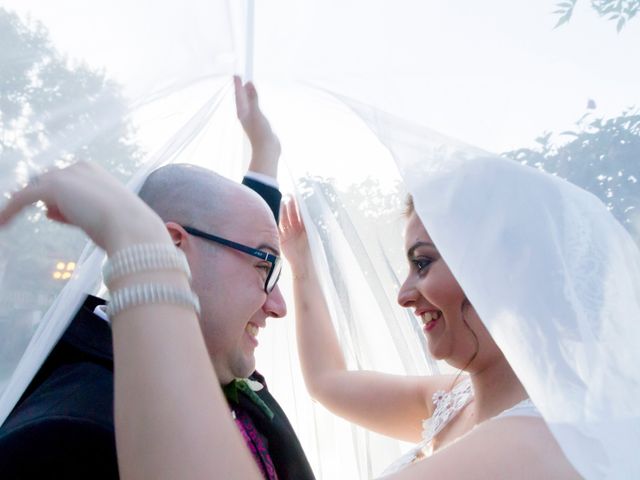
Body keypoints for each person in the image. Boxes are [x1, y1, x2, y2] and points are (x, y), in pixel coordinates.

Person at [0, 133, 636, 477]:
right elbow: (329, 381)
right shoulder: (453, 399)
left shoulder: (538, 446)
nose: (402, 293)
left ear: (504, 270)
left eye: (422, 263)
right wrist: (296, 265)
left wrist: (142, 254)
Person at [0, 77, 314, 480]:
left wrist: (265, 155)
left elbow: (229, 236)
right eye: (264, 267)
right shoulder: (66, 436)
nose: (278, 305)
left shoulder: (203, 347)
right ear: (171, 248)